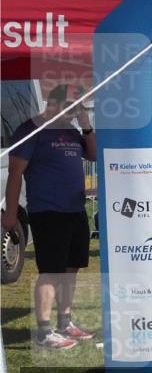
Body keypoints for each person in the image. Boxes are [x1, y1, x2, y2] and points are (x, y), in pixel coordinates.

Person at [2, 85, 96, 350]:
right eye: (70, 105)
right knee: (51, 271)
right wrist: (10, 213)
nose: (74, 111)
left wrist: (86, 123)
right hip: (48, 212)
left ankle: (65, 322)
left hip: (75, 210)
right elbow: (15, 174)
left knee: (71, 269)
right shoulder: (31, 129)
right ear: (52, 104)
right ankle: (44, 331)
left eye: (77, 106)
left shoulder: (71, 130)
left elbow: (94, 154)